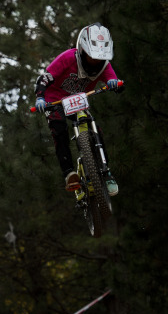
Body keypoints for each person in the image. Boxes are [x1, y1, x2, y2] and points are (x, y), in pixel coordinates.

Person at [34, 22, 124, 195]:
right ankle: (69, 173)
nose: (96, 61)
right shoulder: (68, 58)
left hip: (77, 101)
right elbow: (44, 78)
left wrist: (116, 84)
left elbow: (114, 81)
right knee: (58, 129)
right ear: (82, 50)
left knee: (94, 127)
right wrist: (40, 97)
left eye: (100, 57)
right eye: (92, 56)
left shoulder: (104, 66)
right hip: (55, 100)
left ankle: (106, 172)